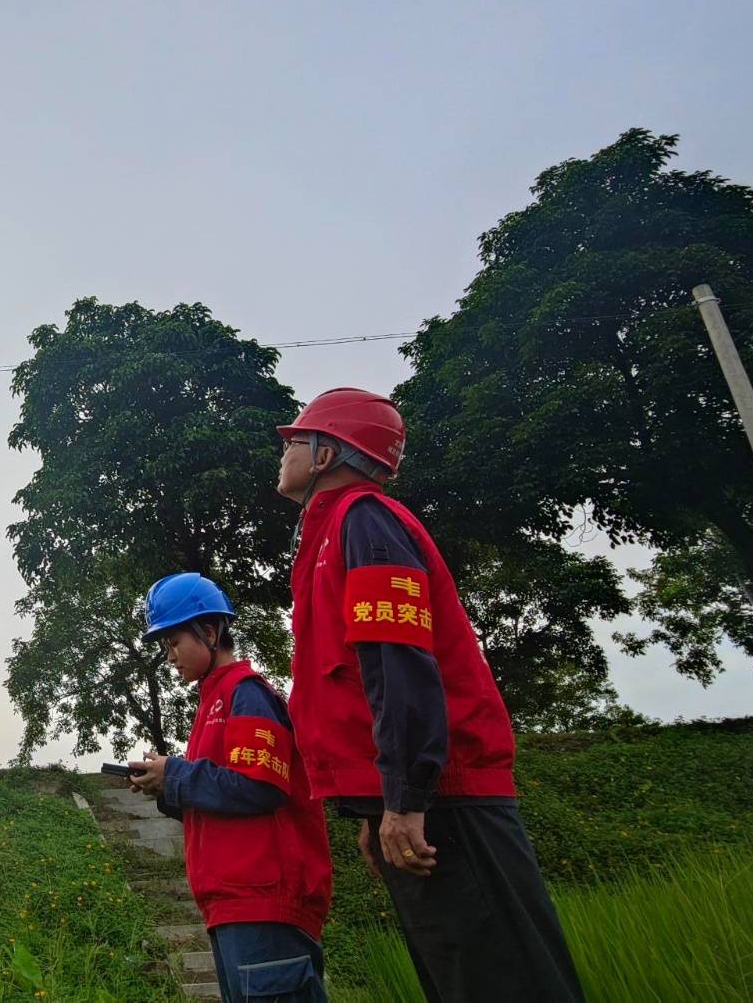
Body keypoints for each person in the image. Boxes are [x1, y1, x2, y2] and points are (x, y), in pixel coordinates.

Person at [277, 387, 583, 1002]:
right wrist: (373, 808)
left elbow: (398, 664)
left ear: (325, 454)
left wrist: (406, 798)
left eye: (294, 441)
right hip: (419, 802)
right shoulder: (334, 534)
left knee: (499, 984)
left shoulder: (365, 520)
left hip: (448, 806)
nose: (283, 452)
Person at [127, 572, 333, 1003]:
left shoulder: (247, 694)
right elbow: (225, 795)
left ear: (208, 630)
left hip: (263, 902)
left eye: (173, 641)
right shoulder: (211, 701)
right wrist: (166, 788)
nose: (170, 657)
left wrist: (177, 774)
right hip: (232, 904)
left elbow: (260, 788)